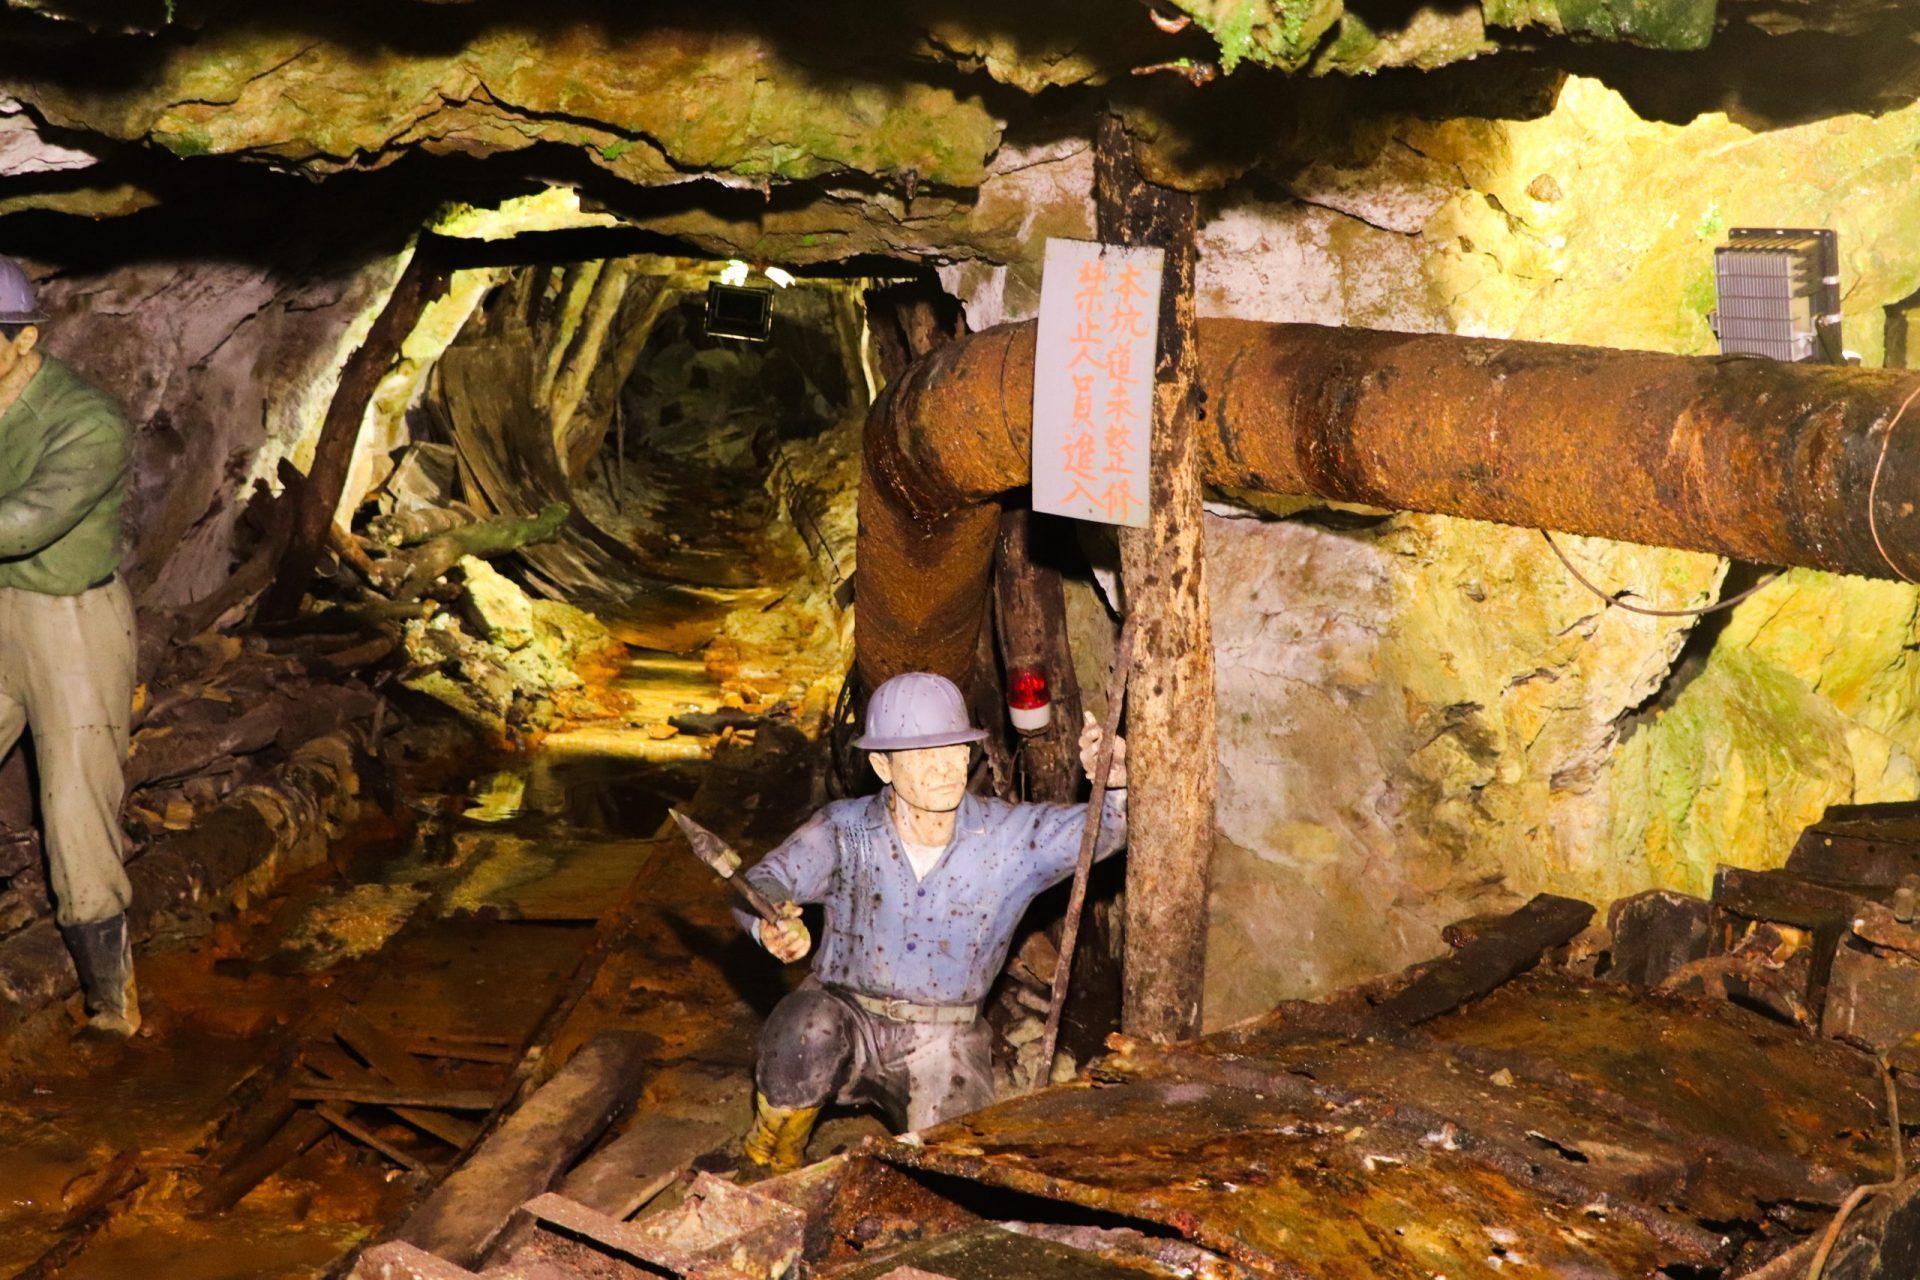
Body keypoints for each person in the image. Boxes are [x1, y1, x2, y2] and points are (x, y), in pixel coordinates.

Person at [734, 670, 1127, 1174]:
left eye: (955, 749)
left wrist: (1113, 785)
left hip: (943, 1040)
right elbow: (761, 883)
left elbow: (1104, 832)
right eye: (922, 755)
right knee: (802, 1028)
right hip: (846, 1017)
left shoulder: (1008, 840)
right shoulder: (844, 831)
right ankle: (772, 1155)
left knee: (947, 1171)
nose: (945, 768)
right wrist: (770, 921)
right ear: (882, 765)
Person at [0, 257, 138, 1036]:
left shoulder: (88, 420)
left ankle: (112, 1004)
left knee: (74, 810)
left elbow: (28, 520)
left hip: (72, 624)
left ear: (23, 339)